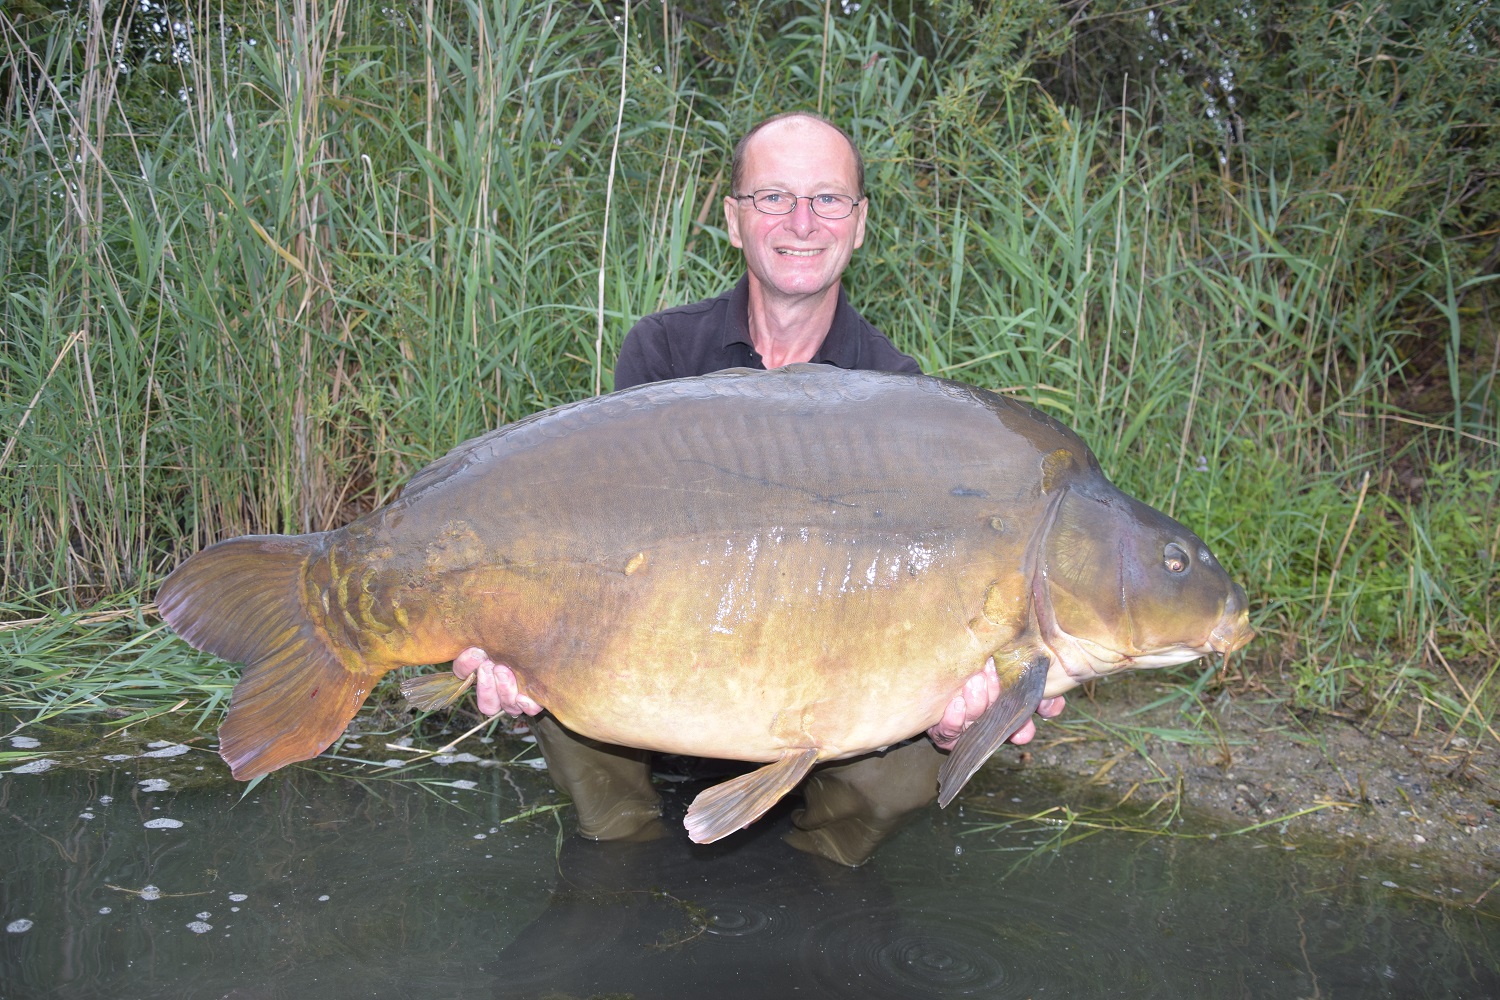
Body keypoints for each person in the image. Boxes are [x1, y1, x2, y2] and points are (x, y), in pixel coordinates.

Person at [453, 112, 1064, 865]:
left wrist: (957, 717)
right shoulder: (663, 351)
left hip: (824, 677)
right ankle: (623, 860)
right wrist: (511, 653)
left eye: (828, 200)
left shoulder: (902, 399)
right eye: (773, 197)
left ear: (861, 224)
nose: (802, 221)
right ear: (735, 220)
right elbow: (603, 538)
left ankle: (819, 873)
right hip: (674, 664)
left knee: (913, 760)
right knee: (559, 657)